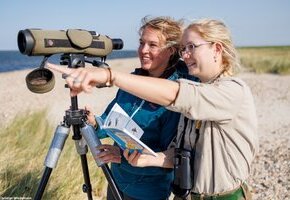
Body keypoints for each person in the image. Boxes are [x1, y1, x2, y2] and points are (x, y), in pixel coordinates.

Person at [47, 18, 259, 200]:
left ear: (217, 49)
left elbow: (179, 95)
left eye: (191, 47)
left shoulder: (233, 91)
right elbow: (181, 154)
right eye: (184, 49)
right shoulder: (193, 91)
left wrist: (111, 76)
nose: (185, 55)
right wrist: (145, 157)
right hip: (181, 192)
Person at [85, 16, 189, 200]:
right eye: (141, 43)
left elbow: (169, 156)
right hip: (116, 180)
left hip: (148, 192)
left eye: (152, 45)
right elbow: (108, 123)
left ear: (171, 50)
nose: (143, 50)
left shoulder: (176, 95)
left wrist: (122, 155)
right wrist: (94, 122)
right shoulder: (132, 82)